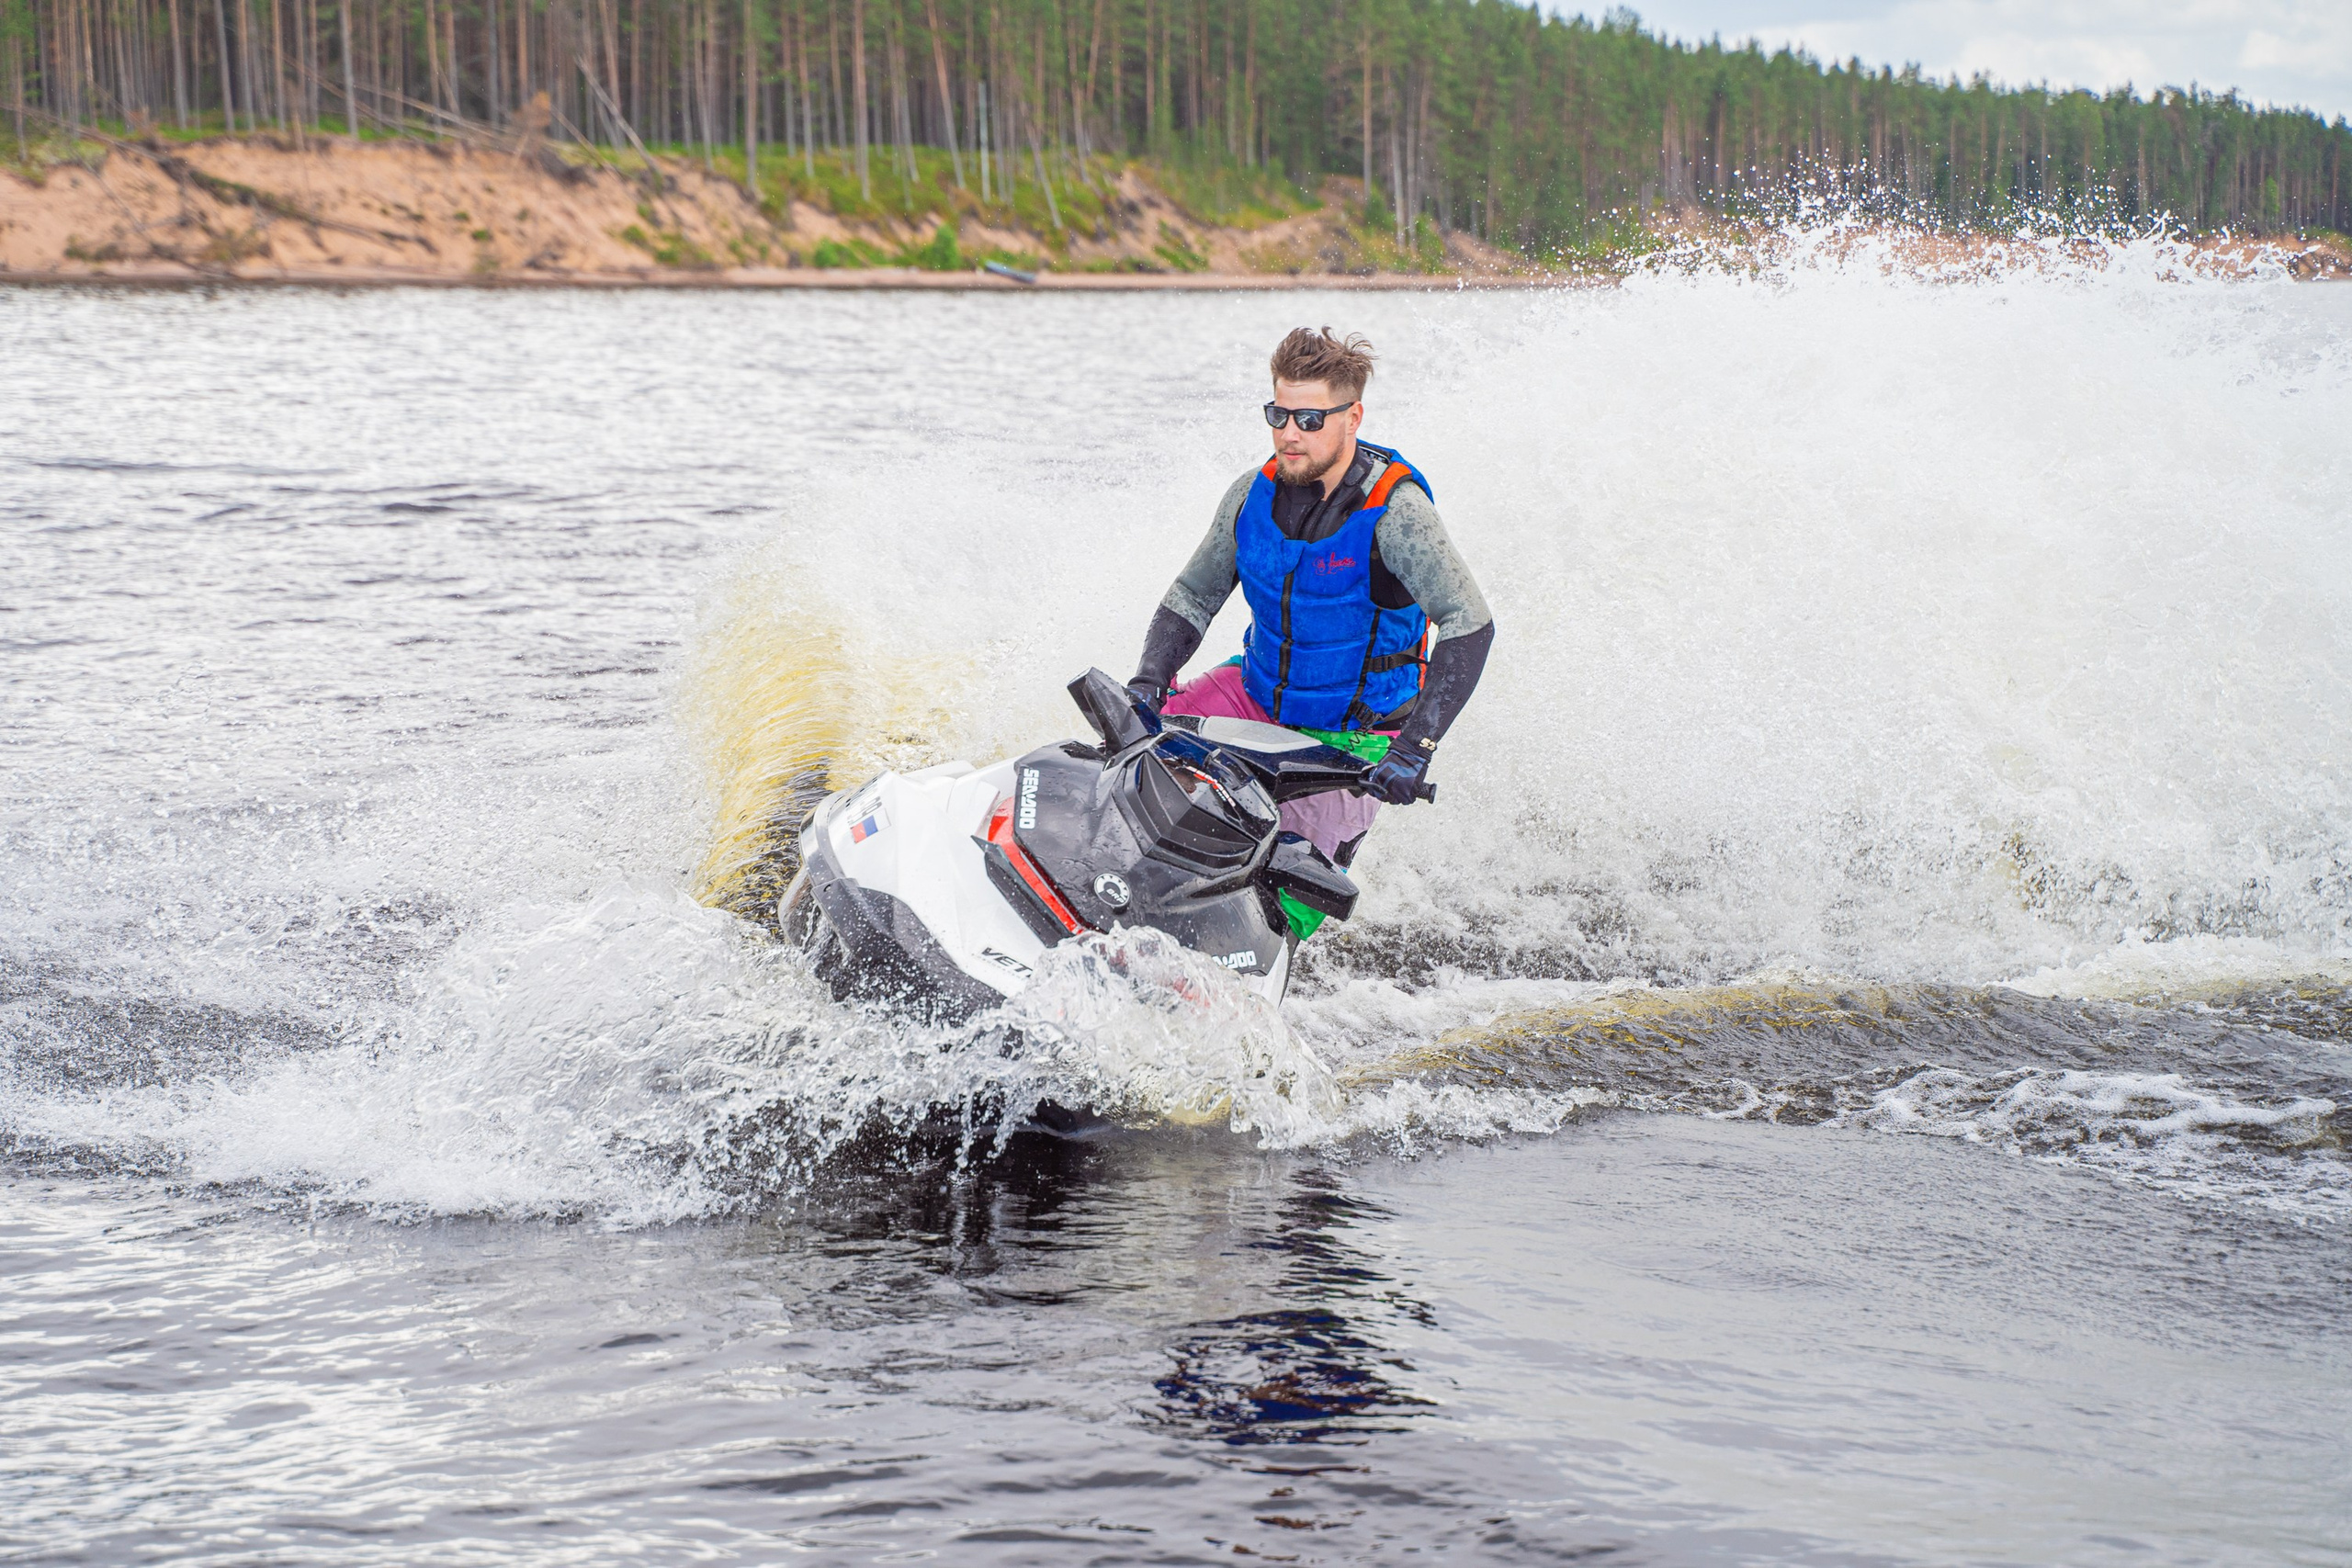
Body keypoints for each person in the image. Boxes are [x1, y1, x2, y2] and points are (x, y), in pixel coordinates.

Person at [1127, 326, 1495, 881]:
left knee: (1283, 882)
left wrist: (1416, 748)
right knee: (1131, 753)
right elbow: (1194, 595)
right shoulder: (1249, 494)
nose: (1290, 435)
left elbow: (1470, 624)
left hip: (1352, 736)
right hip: (1253, 695)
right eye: (1279, 415)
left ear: (1353, 418)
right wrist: (1151, 676)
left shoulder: (1398, 514)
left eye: (1310, 419)